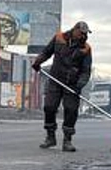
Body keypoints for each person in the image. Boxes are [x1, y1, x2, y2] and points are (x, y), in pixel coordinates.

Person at [33, 21, 92, 151]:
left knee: (71, 110)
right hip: (55, 80)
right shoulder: (59, 38)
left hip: (72, 84)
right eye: (81, 33)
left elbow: (86, 71)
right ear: (75, 30)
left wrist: (79, 85)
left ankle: (67, 140)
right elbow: (46, 52)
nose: (83, 36)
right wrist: (38, 62)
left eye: (85, 34)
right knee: (49, 107)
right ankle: (50, 137)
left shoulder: (86, 49)